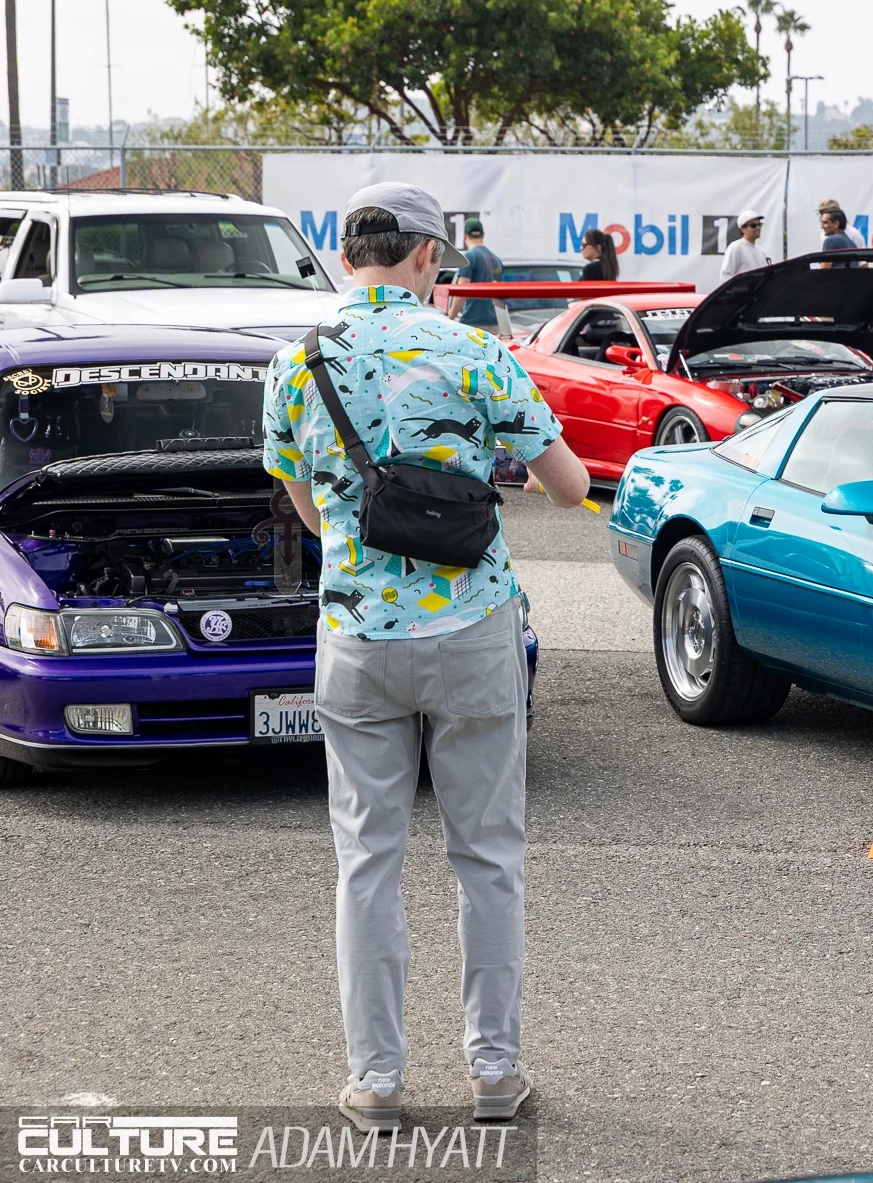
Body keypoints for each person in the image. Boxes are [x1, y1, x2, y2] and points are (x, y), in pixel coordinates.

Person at [263, 182, 591, 1134]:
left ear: (347, 250)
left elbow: (307, 502)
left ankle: (375, 1083)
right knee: (487, 858)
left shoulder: (296, 363)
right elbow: (568, 488)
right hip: (472, 634)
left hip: (356, 639)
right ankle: (494, 1074)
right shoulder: (477, 352)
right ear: (424, 258)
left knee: (366, 859)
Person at [451, 218, 504, 333]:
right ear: (483, 235)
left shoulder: (467, 257)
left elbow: (461, 294)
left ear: (465, 236)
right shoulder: (496, 260)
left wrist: (450, 317)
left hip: (471, 323)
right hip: (495, 324)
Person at [719, 210, 772, 281]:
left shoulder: (762, 252)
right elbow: (725, 277)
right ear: (742, 229)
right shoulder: (736, 248)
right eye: (753, 225)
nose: (758, 228)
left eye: (759, 224)